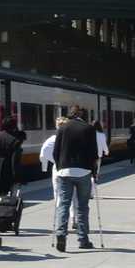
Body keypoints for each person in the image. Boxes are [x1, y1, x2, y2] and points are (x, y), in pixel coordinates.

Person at [52, 106, 100, 252]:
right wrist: (94, 172)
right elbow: (94, 153)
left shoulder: (62, 128)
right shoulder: (89, 129)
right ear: (82, 115)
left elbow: (56, 151)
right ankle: (83, 240)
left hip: (64, 172)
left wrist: (60, 167)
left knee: (63, 205)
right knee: (82, 206)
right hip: (84, 172)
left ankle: (61, 235)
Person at [41, 116, 74, 228]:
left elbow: (43, 153)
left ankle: (61, 222)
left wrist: (53, 161)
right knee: (72, 195)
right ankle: (73, 219)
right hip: (71, 168)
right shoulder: (73, 138)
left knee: (58, 195)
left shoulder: (52, 139)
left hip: (58, 169)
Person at [0, 116, 25, 197]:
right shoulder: (15, 141)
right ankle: (4, 209)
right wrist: (17, 178)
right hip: (8, 172)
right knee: (7, 196)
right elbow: (15, 161)